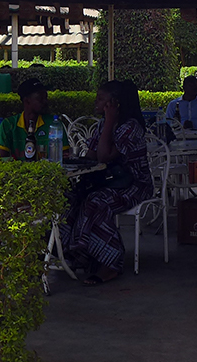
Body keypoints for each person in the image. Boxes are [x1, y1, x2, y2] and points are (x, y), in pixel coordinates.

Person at [64, 80, 154, 286]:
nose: (96, 102)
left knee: (96, 203)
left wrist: (110, 120)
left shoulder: (130, 127)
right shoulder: (101, 125)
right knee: (70, 198)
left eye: (101, 99)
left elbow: (103, 157)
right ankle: (79, 253)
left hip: (134, 185)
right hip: (108, 182)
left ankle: (110, 262)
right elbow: (92, 154)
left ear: (115, 103)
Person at [0, 78, 59, 161]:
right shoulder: (8, 125)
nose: (45, 101)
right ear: (27, 101)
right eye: (40, 99)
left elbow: (64, 157)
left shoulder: (54, 124)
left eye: (46, 97)